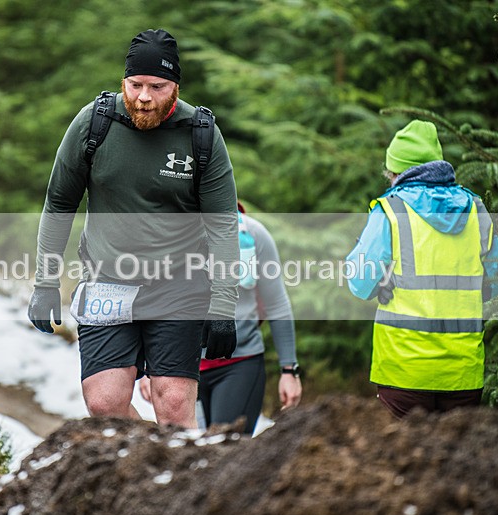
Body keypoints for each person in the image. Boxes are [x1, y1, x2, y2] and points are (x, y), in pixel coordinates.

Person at [28, 29, 239, 429]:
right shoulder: (95, 124)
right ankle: (151, 467)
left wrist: (224, 307)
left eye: (157, 86)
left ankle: (181, 481)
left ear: (175, 86)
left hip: (180, 283)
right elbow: (59, 204)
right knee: (105, 404)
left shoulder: (201, 135)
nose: (144, 97)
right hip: (107, 280)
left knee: (175, 404)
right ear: (123, 81)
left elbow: (223, 227)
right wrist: (45, 283)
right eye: (135, 84)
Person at [346, 120, 498, 419]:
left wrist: (379, 276)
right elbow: (497, 287)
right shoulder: (476, 210)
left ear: (396, 173)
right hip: (462, 371)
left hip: (402, 369)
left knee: (403, 462)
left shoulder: (390, 211)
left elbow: (359, 283)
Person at [140, 203, 302, 434]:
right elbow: (152, 303)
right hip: (176, 366)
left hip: (239, 365)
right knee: (185, 456)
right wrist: (148, 368)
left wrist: (289, 371)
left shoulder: (253, 235)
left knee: (227, 455)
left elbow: (277, 304)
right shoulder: (166, 233)